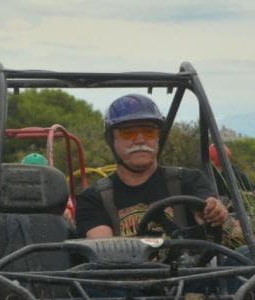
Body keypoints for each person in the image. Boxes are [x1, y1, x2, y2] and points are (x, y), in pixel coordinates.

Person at [74, 94, 228, 238]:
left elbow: (206, 204)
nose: (140, 140)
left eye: (149, 132)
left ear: (157, 138)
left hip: (189, 265)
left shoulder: (188, 180)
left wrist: (213, 210)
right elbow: (103, 248)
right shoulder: (94, 199)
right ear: (112, 141)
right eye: (128, 133)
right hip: (125, 266)